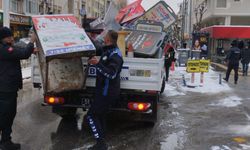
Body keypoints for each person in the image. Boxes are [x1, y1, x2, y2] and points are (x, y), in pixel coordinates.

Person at [0, 27, 37, 150]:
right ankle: (5, 142)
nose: (11, 38)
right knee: (5, 115)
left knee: (9, 114)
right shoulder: (4, 49)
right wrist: (32, 41)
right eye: (9, 36)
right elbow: (23, 54)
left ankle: (6, 141)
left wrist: (31, 50)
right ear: (3, 38)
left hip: (8, 88)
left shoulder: (6, 48)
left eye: (11, 36)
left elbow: (19, 50)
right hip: (6, 89)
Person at [86, 30, 123, 150]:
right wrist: (87, 38)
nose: (102, 37)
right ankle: (101, 141)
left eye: (105, 36)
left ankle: (100, 144)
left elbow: (112, 74)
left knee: (91, 115)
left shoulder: (116, 55)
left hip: (107, 92)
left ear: (108, 39)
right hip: (102, 91)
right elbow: (97, 47)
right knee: (100, 115)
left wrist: (97, 64)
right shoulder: (107, 49)